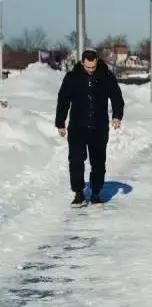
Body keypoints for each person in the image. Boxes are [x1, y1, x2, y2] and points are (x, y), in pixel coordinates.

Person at [55, 49, 123, 207]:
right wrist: (60, 123)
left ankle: (96, 193)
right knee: (76, 160)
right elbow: (63, 100)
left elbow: (116, 97)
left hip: (99, 126)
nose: (90, 70)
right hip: (77, 126)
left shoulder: (106, 76)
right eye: (87, 67)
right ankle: (78, 194)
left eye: (93, 67)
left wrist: (117, 116)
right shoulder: (72, 77)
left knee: (98, 162)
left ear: (97, 62)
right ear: (82, 63)